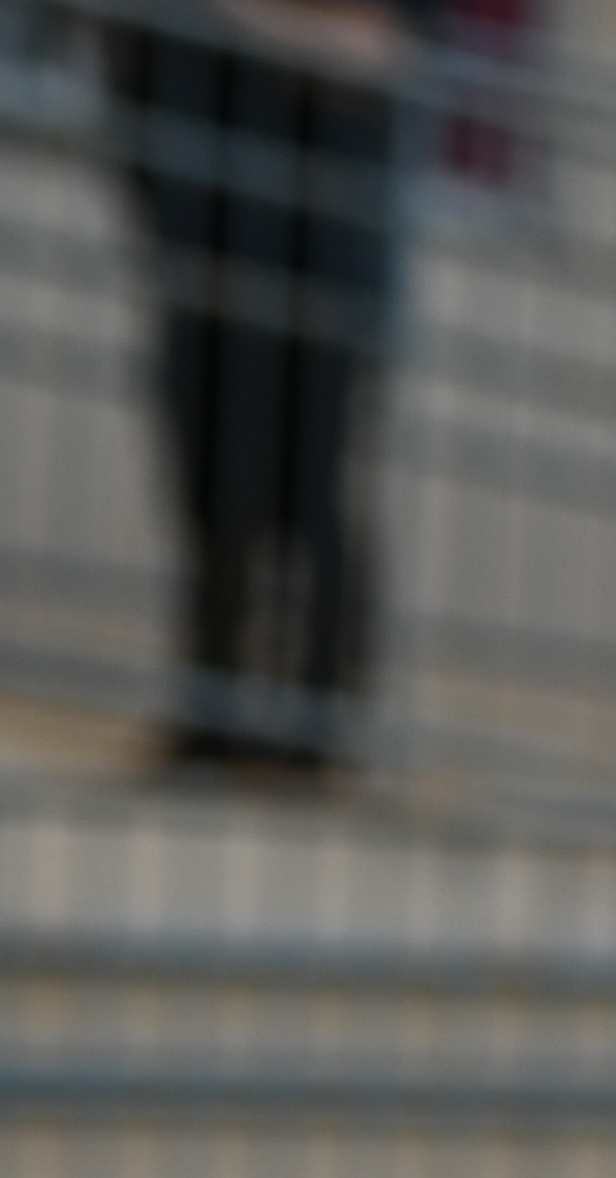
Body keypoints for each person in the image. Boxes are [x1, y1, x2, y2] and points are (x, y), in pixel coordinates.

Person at [108, 0, 437, 775]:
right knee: (212, 485)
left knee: (309, 492)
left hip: (323, 276)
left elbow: (386, 52)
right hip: (206, 262)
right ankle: (211, 711)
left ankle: (315, 727)